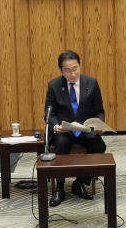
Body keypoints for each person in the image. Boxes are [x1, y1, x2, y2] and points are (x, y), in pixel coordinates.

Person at [44, 50, 107, 206]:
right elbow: (49, 114)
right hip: (64, 131)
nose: (72, 74)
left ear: (80, 66)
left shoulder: (91, 83)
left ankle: (80, 181)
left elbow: (99, 110)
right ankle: (59, 187)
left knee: (99, 144)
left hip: (85, 129)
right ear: (61, 70)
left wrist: (99, 124)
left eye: (75, 69)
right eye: (67, 70)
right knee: (61, 143)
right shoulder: (54, 85)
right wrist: (55, 126)